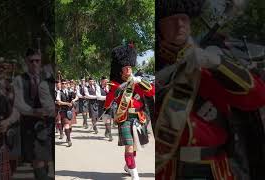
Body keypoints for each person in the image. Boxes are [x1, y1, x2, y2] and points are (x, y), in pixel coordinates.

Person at [156, 0, 265, 179]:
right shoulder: (157, 70)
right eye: (171, 20)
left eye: (184, 19)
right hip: (166, 169)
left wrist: (217, 63)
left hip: (214, 169)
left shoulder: (210, 62)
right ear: (159, 27)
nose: (179, 25)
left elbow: (257, 97)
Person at [104, 43, 154, 180]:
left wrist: (141, 82)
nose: (129, 70)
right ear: (120, 71)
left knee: (135, 146)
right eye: (126, 68)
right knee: (129, 146)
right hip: (124, 117)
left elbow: (151, 93)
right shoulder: (114, 85)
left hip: (138, 117)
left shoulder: (137, 82)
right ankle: (135, 174)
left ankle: (129, 166)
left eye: (130, 67)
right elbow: (109, 99)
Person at [13, 48, 51, 179]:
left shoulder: (47, 78)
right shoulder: (19, 79)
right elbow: (19, 103)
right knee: (38, 161)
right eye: (31, 61)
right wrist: (34, 112)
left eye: (37, 61)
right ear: (26, 62)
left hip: (46, 126)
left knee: (45, 161)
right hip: (30, 125)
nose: (34, 64)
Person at [56, 79, 76, 147]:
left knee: (70, 126)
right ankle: (69, 140)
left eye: (65, 83)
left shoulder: (70, 91)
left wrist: (74, 100)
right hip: (63, 111)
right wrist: (67, 103)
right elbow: (58, 102)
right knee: (66, 125)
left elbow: (76, 97)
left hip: (70, 111)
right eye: (62, 83)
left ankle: (68, 137)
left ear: (67, 84)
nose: (64, 85)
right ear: (61, 84)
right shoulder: (59, 92)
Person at [97, 76, 113, 141]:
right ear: (101, 81)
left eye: (107, 81)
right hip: (102, 106)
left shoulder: (109, 87)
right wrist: (107, 97)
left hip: (109, 106)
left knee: (109, 120)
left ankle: (108, 133)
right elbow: (98, 97)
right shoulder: (98, 88)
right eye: (104, 81)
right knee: (106, 120)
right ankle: (109, 134)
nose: (106, 82)